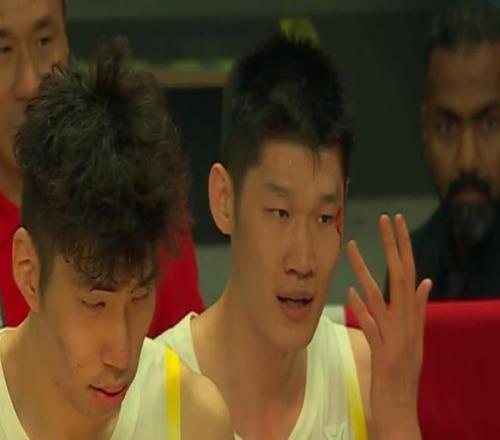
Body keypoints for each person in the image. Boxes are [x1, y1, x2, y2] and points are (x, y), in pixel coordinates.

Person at [158, 35, 431, 439]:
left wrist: (398, 416)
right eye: (280, 213)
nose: (303, 261)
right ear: (224, 200)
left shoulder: (369, 380)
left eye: (324, 217)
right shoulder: (154, 393)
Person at [0, 38, 231, 439]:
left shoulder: (195, 421)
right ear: (29, 273)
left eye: (139, 298)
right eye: (95, 304)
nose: (121, 355)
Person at [0, 0, 203, 333]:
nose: (29, 83)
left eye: (45, 41)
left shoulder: (141, 186)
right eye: (3, 50)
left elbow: (177, 351)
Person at [416, 0, 500, 299]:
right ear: (425, 131)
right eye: (445, 127)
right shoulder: (412, 264)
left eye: (489, 123)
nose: (467, 161)